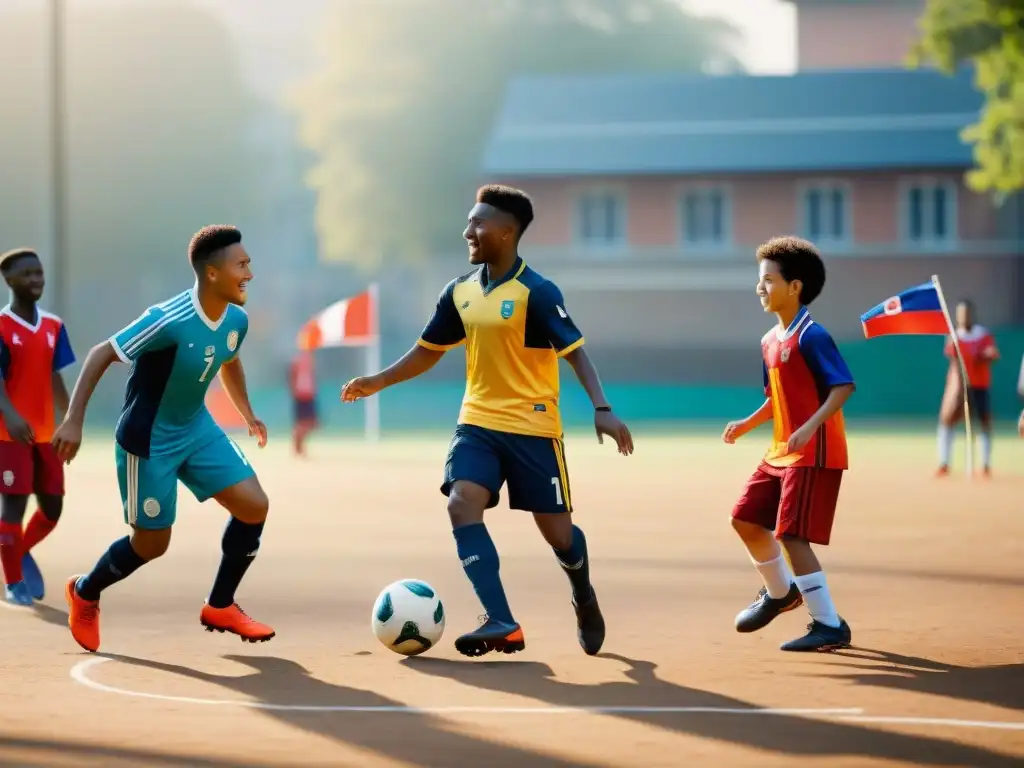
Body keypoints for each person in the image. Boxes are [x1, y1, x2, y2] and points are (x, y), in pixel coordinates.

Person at [341, 185, 633, 658]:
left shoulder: (537, 292)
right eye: (469, 222)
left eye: (477, 223)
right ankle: (501, 620)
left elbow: (576, 356)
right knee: (461, 503)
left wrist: (602, 409)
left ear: (507, 231)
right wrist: (377, 381)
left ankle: (582, 592)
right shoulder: (459, 291)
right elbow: (425, 353)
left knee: (560, 537)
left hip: (534, 429)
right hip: (477, 423)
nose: (468, 231)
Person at [51, 225, 273, 652]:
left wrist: (247, 412)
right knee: (152, 544)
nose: (250, 273)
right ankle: (85, 590)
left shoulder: (236, 319)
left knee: (254, 506)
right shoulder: (167, 320)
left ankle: (220, 605)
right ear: (212, 273)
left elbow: (229, 358)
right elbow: (102, 352)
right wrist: (74, 420)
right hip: (148, 440)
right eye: (242, 265)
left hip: (197, 427)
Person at [722, 236, 855, 652]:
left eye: (767, 280)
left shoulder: (813, 336)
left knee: (791, 535)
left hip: (812, 452)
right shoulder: (769, 340)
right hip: (780, 451)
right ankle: (782, 593)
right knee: (745, 519)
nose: (760, 287)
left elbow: (842, 387)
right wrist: (747, 423)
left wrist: (812, 426)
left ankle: (828, 624)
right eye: (759, 280)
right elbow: (774, 398)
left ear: (794, 286)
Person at [0, 249, 75, 606]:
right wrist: (11, 415)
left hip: (46, 434)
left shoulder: (53, 326)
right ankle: (13, 583)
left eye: (39, 273)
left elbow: (53, 374)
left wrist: (70, 419)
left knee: (53, 508)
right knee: (13, 507)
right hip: (9, 435)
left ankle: (19, 550)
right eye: (27, 274)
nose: (36, 280)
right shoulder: (0, 326)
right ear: (9, 279)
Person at [936, 299, 998, 477]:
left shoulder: (983, 335)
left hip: (979, 386)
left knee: (983, 424)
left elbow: (992, 354)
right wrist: (958, 387)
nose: (964, 317)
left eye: (966, 313)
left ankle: (985, 464)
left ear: (972, 314)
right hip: (958, 388)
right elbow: (954, 361)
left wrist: (985, 355)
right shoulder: (954, 336)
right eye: (960, 314)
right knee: (947, 421)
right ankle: (944, 462)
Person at [289, 350, 318, 456]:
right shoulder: (297, 361)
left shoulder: (311, 361)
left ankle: (299, 446)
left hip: (309, 395)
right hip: (300, 395)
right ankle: (297, 448)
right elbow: (292, 376)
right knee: (301, 423)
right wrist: (294, 391)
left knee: (311, 422)